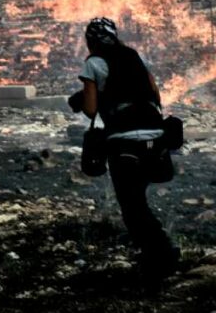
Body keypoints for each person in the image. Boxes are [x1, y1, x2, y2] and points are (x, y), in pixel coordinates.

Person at [69, 17, 180, 281]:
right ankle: (157, 253)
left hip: (124, 141)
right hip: (155, 137)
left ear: (91, 40)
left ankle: (160, 255)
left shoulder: (94, 63)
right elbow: (155, 93)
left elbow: (91, 109)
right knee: (138, 198)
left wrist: (81, 98)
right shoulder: (134, 56)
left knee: (131, 206)